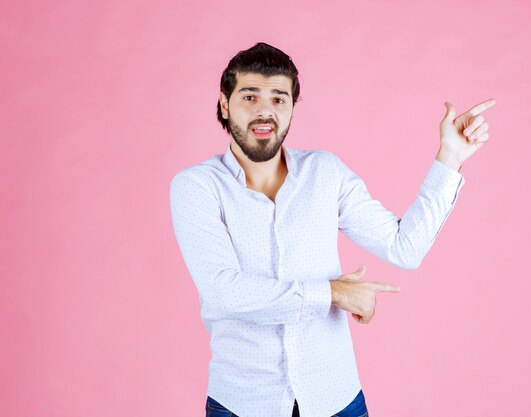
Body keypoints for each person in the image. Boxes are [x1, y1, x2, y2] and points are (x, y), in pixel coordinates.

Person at [169, 42, 495, 417]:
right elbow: (224, 292)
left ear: (292, 108)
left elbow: (404, 248)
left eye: (279, 99)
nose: (264, 110)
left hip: (336, 398)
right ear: (225, 105)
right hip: (242, 402)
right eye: (249, 96)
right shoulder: (196, 186)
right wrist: (332, 293)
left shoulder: (325, 173)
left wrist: (449, 158)